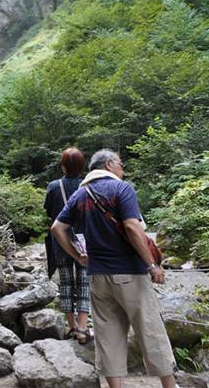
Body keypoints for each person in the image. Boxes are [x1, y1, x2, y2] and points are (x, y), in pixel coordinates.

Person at [51, 149, 176, 388]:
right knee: (150, 330)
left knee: (108, 336)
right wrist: (152, 264)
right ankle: (169, 386)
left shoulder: (81, 194)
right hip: (129, 273)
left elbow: (57, 228)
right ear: (108, 164)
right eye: (120, 163)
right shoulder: (122, 188)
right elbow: (132, 226)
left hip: (98, 275)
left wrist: (78, 257)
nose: (123, 168)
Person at [43, 147, 92, 344]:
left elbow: (49, 211)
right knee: (83, 282)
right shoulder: (88, 186)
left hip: (60, 239)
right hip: (84, 241)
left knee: (65, 282)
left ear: (63, 166)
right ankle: (83, 328)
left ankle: (71, 327)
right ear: (82, 166)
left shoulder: (54, 187)